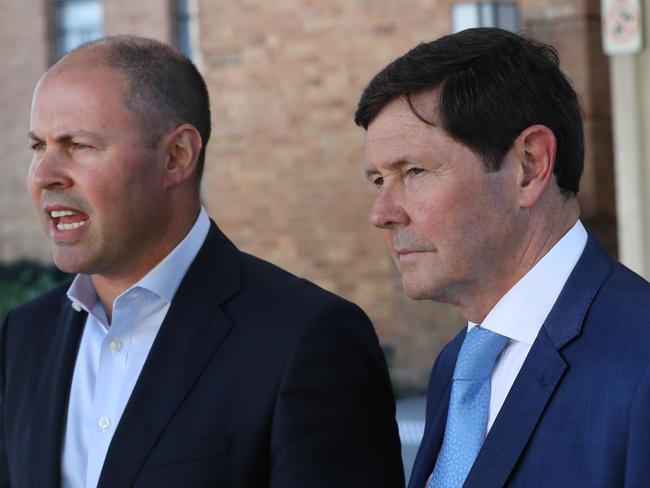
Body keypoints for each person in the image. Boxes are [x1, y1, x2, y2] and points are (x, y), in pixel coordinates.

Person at [0, 35, 405, 487]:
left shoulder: (308, 338)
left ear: (177, 156)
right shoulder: (25, 334)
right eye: (38, 146)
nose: (44, 175)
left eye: (77, 145)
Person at [355, 27, 650, 488]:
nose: (382, 213)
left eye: (413, 171)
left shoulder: (640, 361)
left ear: (529, 166)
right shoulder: (457, 365)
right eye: (378, 180)